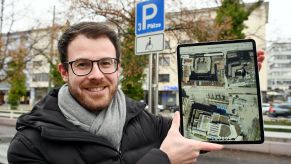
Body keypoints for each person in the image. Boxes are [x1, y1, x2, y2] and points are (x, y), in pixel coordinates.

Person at [7, 22, 263, 164]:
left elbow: (197, 131)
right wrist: (161, 161)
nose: (97, 74)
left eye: (106, 63)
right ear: (64, 71)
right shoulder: (29, 146)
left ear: (118, 68)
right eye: (83, 64)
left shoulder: (142, 119)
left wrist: (229, 86)